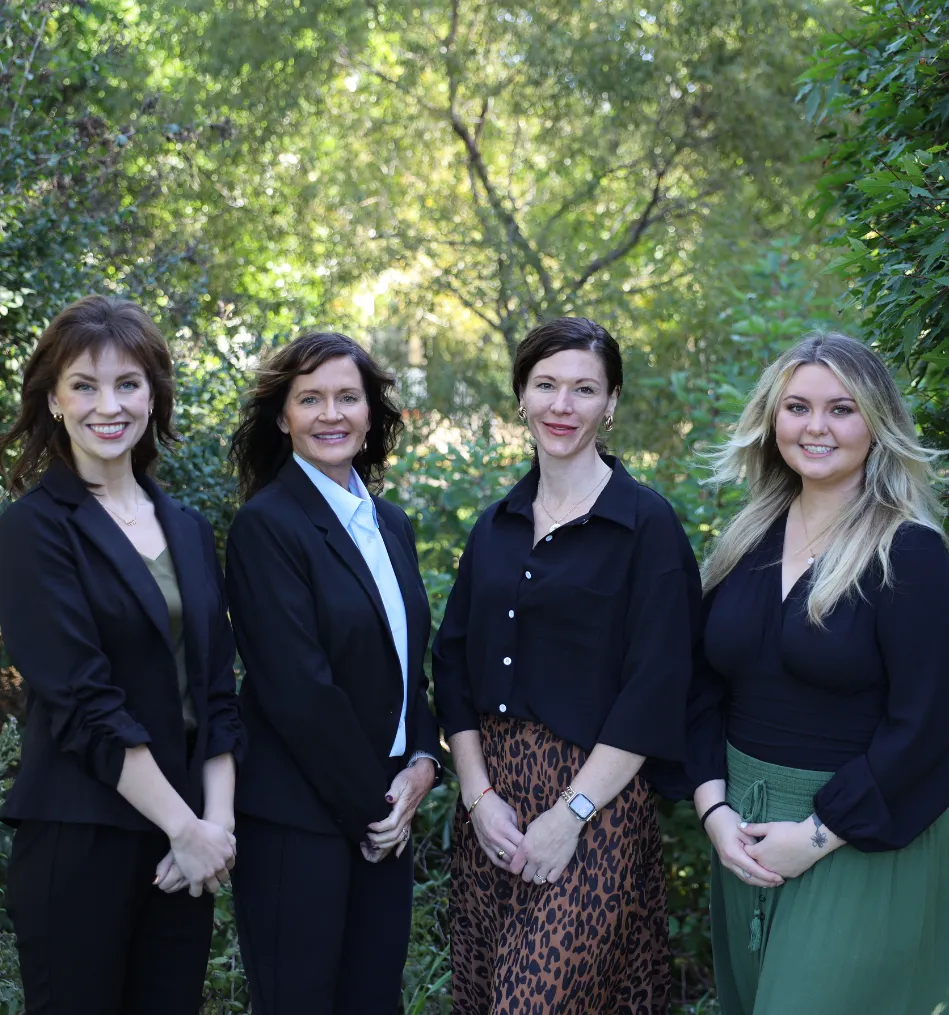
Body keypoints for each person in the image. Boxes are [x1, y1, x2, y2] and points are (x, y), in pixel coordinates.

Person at [432, 316, 702, 1014]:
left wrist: (571, 812)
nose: (562, 405)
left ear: (610, 402)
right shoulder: (494, 525)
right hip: (491, 804)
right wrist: (477, 795)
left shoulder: (646, 526)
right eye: (545, 385)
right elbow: (453, 662)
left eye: (583, 388)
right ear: (519, 396)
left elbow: (657, 682)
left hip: (593, 802)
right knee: (483, 992)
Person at [687, 332, 949, 1014]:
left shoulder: (909, 554)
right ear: (772, 421)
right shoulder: (744, 541)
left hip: (857, 834)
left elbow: (926, 723)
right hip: (741, 830)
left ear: (877, 422)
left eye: (840, 408)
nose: (816, 427)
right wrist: (713, 809)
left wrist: (816, 834)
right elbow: (702, 689)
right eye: (797, 407)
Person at [0, 295, 242, 1015]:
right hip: (83, 836)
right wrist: (185, 825)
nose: (109, 405)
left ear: (153, 394)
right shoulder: (34, 528)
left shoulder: (189, 528)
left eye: (128, 383)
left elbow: (218, 692)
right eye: (85, 384)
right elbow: (84, 700)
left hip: (185, 845)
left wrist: (215, 829)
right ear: (54, 398)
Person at [226, 331, 441, 1015]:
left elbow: (411, 664)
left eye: (347, 396)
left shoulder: (392, 524)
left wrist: (423, 760)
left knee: (372, 1002)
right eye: (309, 398)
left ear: (372, 412)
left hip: (384, 812)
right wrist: (376, 806)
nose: (331, 413)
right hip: (300, 821)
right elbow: (298, 690)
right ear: (282, 415)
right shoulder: (266, 525)